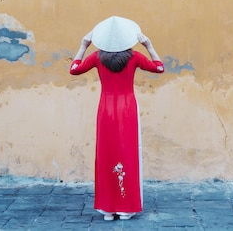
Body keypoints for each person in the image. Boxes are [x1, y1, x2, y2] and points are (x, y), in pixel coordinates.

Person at [69, 16, 164, 221]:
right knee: (128, 153)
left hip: (105, 109)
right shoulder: (135, 57)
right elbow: (159, 67)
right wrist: (148, 44)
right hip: (128, 109)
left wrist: (83, 44)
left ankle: (108, 209)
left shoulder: (96, 57)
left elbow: (74, 69)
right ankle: (125, 207)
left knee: (106, 154)